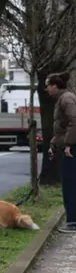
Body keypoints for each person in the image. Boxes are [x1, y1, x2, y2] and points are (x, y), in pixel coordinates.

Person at [46, 72, 76, 233]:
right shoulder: (62, 100)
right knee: (68, 183)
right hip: (68, 146)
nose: (46, 89)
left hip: (72, 148)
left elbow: (74, 121)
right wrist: (53, 144)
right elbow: (61, 129)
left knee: (70, 184)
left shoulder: (67, 99)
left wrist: (69, 144)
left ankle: (73, 221)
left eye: (48, 86)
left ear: (55, 86)